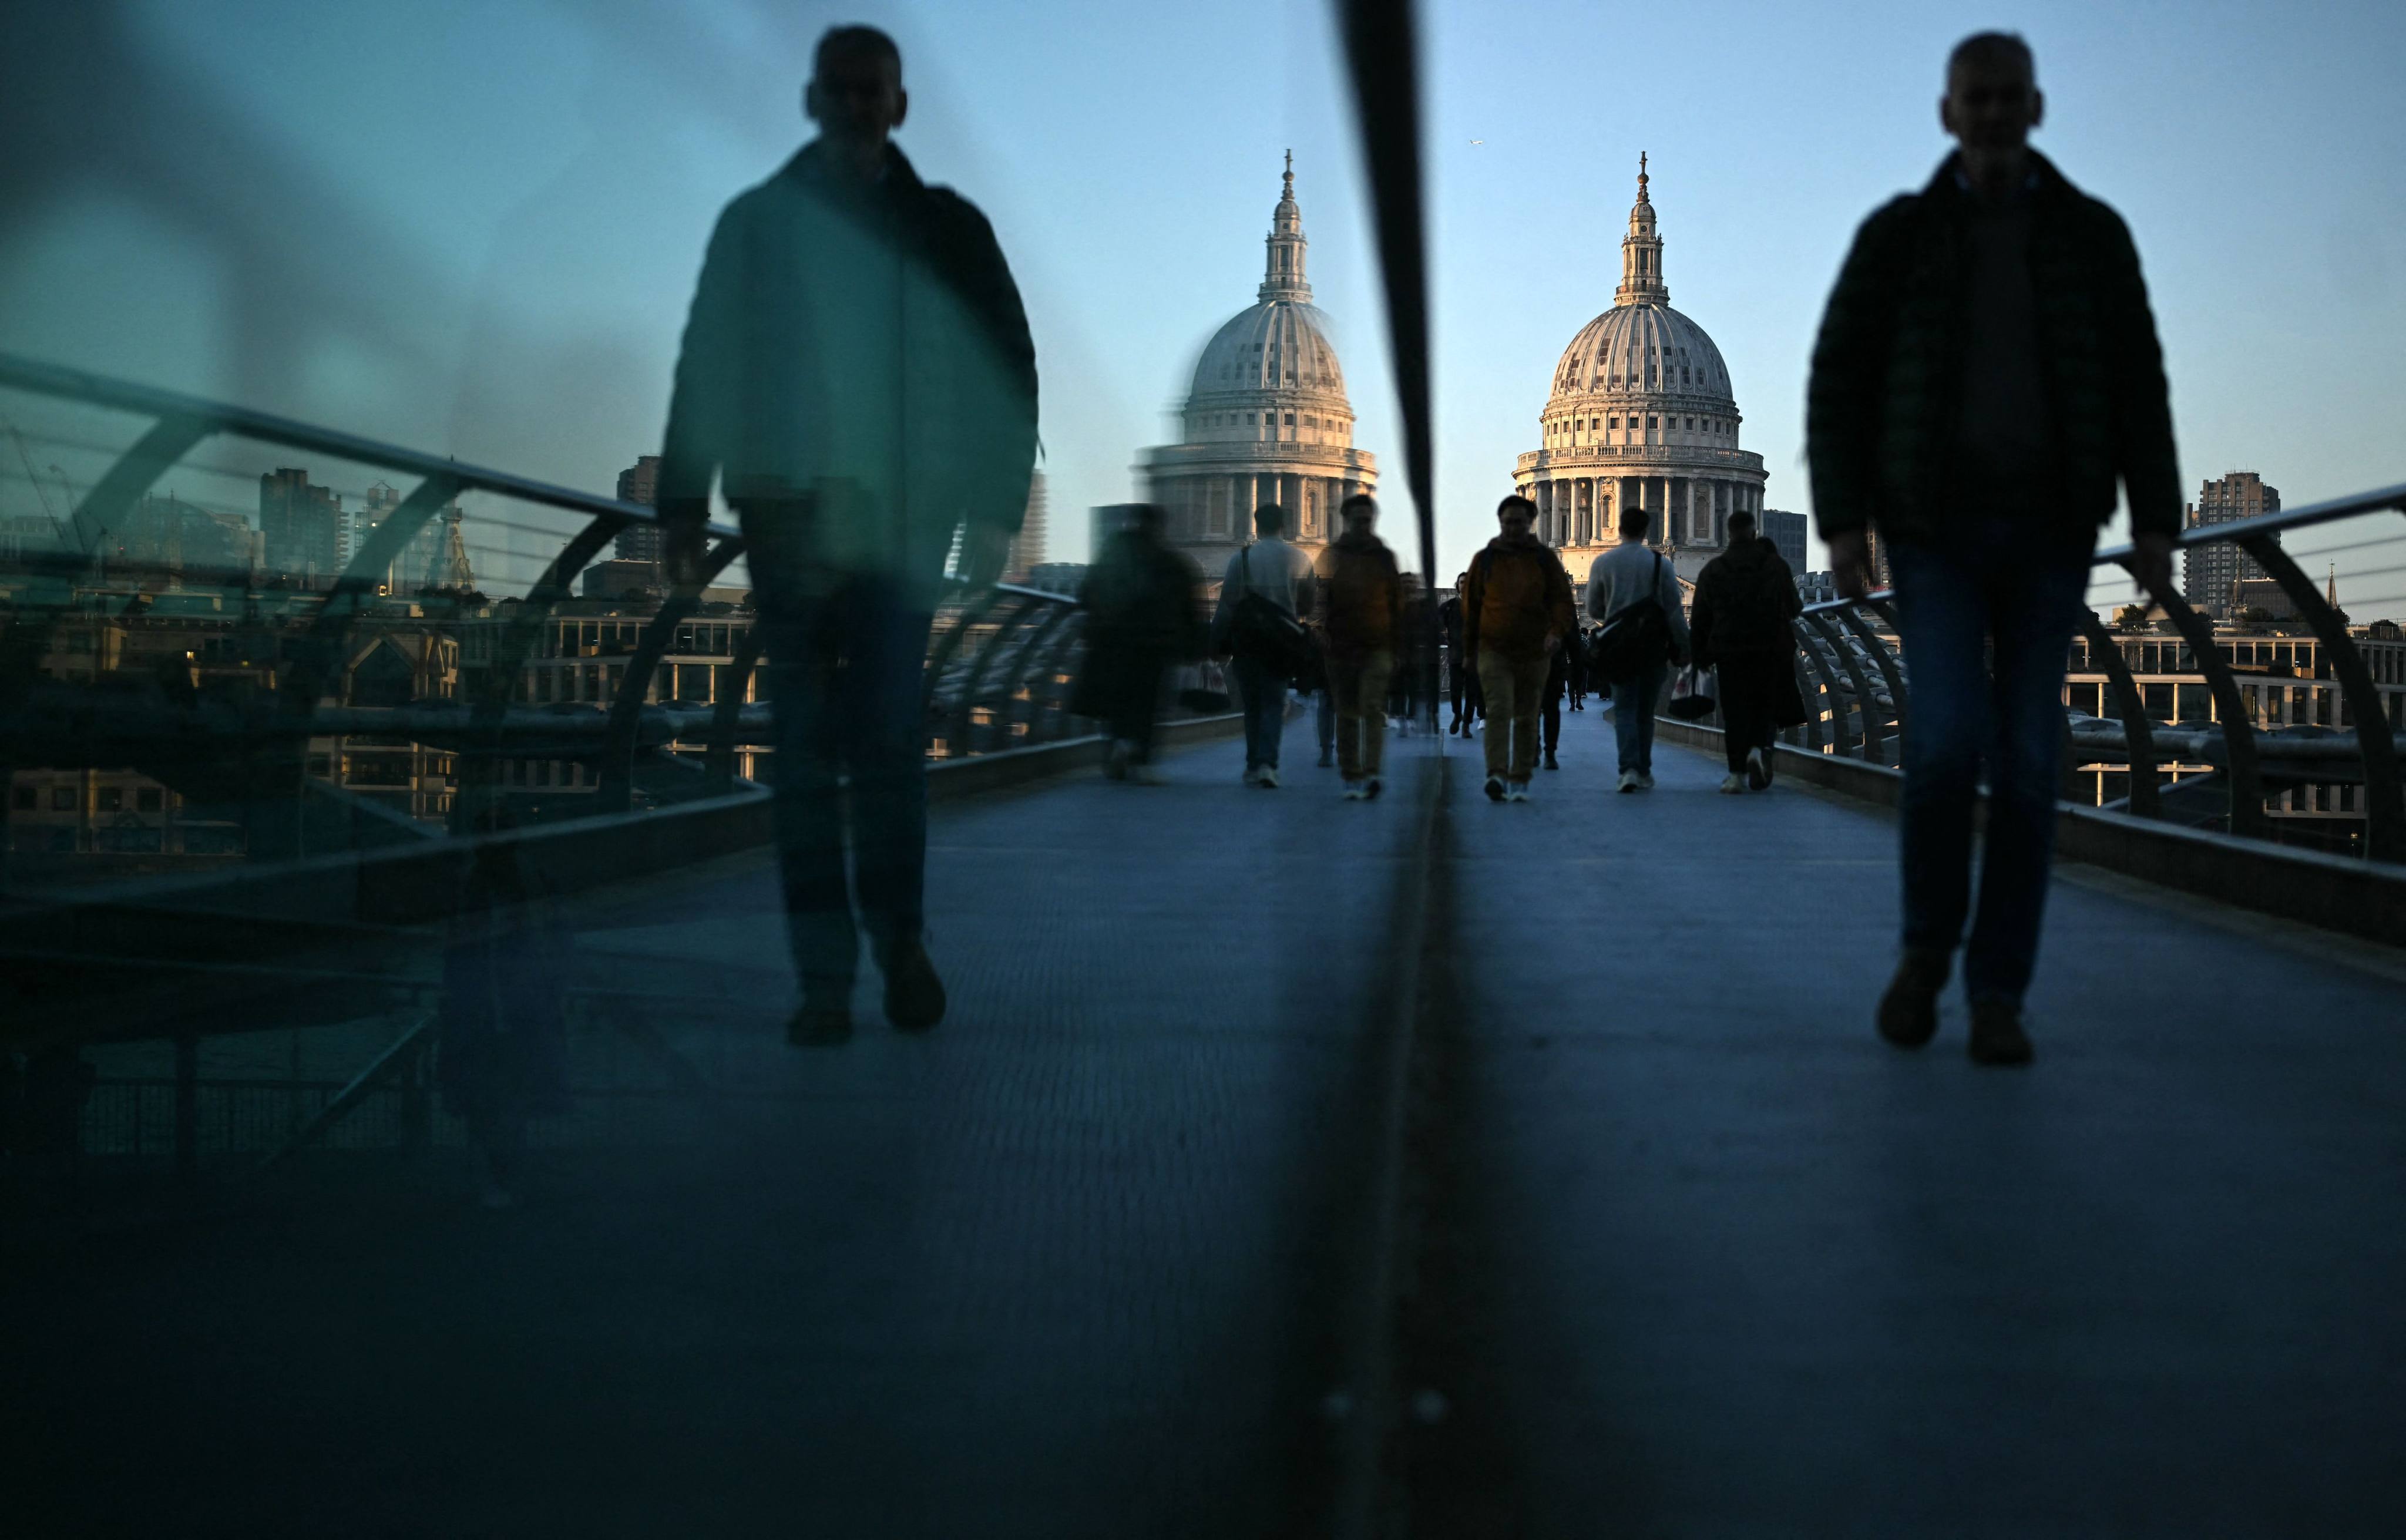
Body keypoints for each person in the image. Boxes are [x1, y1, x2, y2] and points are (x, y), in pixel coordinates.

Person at [656, 25, 1039, 1046]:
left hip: (898, 523)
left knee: (879, 747)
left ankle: (896, 940)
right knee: (804, 761)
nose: (859, 105)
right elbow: (705, 367)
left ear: (899, 105)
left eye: (874, 90)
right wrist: (681, 506)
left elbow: (1008, 364)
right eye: (842, 89)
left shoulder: (950, 228)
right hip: (787, 518)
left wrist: (995, 510)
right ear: (814, 100)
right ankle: (827, 976)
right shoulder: (755, 226)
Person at [1807, 32, 2178, 1066]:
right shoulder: (1900, 235)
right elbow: (1840, 382)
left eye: (2009, 96)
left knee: (2026, 765)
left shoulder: (2091, 236)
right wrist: (1845, 522)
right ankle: (1929, 948)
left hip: (2054, 530)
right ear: (1948, 111)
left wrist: (2157, 522)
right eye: (1977, 97)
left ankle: (1998, 990)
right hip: (1933, 532)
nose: (1994, 112)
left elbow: (2138, 383)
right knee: (1938, 747)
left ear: (2037, 106)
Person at [436, 815, 571, 1209]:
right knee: (512, 1101)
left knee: (485, 1101)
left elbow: (455, 950)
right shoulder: (531, 882)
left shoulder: (471, 884)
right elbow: (560, 941)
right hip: (518, 1014)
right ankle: (505, 1178)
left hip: (483, 1015)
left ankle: (494, 1179)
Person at [1074, 504, 1204, 782]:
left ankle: (1118, 745)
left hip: (1112, 642)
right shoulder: (1173, 562)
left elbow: (1085, 593)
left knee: (1117, 698)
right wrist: (1195, 649)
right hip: (1156, 646)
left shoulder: (1112, 555)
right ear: (1161, 528)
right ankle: (1139, 756)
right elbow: (1191, 610)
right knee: (1147, 703)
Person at [1463, 495, 1577, 802]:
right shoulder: (1485, 559)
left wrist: (1555, 633)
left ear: (1530, 524)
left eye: (1520, 522)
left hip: (1534, 651)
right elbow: (1470, 608)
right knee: (1499, 711)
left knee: (1527, 716)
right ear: (1500, 523)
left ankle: (1521, 775)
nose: (1513, 528)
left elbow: (1562, 602)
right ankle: (1497, 774)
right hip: (1493, 650)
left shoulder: (1544, 560)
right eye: (1508, 522)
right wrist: (1469, 651)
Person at [1689, 507, 1803, 793]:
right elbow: (1795, 608)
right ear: (1754, 531)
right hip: (1769, 648)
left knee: (1734, 711)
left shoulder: (1714, 570)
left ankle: (1736, 773)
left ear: (1728, 533)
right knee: (1764, 706)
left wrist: (1699, 656)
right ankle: (1759, 750)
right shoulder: (1776, 566)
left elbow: (1701, 618)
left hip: (1729, 650)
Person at [1210, 503, 1318, 788]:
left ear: (1257, 524)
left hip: (1247, 641)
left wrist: (1215, 643)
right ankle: (1268, 763)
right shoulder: (1301, 558)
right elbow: (1309, 604)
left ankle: (1253, 763)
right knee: (1274, 701)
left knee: (1253, 706)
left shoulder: (1241, 558)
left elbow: (1227, 605)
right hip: (1281, 642)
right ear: (1285, 524)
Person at [1585, 505, 1690, 792]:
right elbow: (1673, 611)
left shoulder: (1604, 563)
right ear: (1646, 531)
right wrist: (1684, 647)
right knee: (1645, 710)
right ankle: (1642, 768)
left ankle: (1628, 768)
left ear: (1619, 529)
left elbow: (1593, 607)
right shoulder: (1661, 565)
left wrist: (1614, 616)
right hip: (1652, 647)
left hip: (1619, 647)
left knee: (1625, 707)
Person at [1313, 493, 1404, 799]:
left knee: (1372, 710)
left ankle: (1371, 771)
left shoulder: (1383, 556)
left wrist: (1396, 645)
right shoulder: (1332, 555)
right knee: (1348, 713)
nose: (1363, 525)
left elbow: (1396, 602)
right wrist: (1320, 630)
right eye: (1358, 520)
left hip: (1377, 644)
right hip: (1341, 645)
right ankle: (1352, 772)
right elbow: (1319, 595)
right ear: (1347, 520)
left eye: (1367, 520)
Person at [1539, 617, 1588, 771]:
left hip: (1534, 662)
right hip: (1554, 662)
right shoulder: (1560, 599)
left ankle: (1534, 748)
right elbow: (1573, 637)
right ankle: (1549, 753)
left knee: (1531, 709)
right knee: (1551, 709)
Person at [1439, 573, 1480, 735]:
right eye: (1462, 582)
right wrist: (1445, 640)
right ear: (1458, 585)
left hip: (1474, 656)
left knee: (1471, 692)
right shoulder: (1450, 606)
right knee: (1456, 691)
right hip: (1456, 655)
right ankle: (1458, 715)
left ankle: (1466, 725)